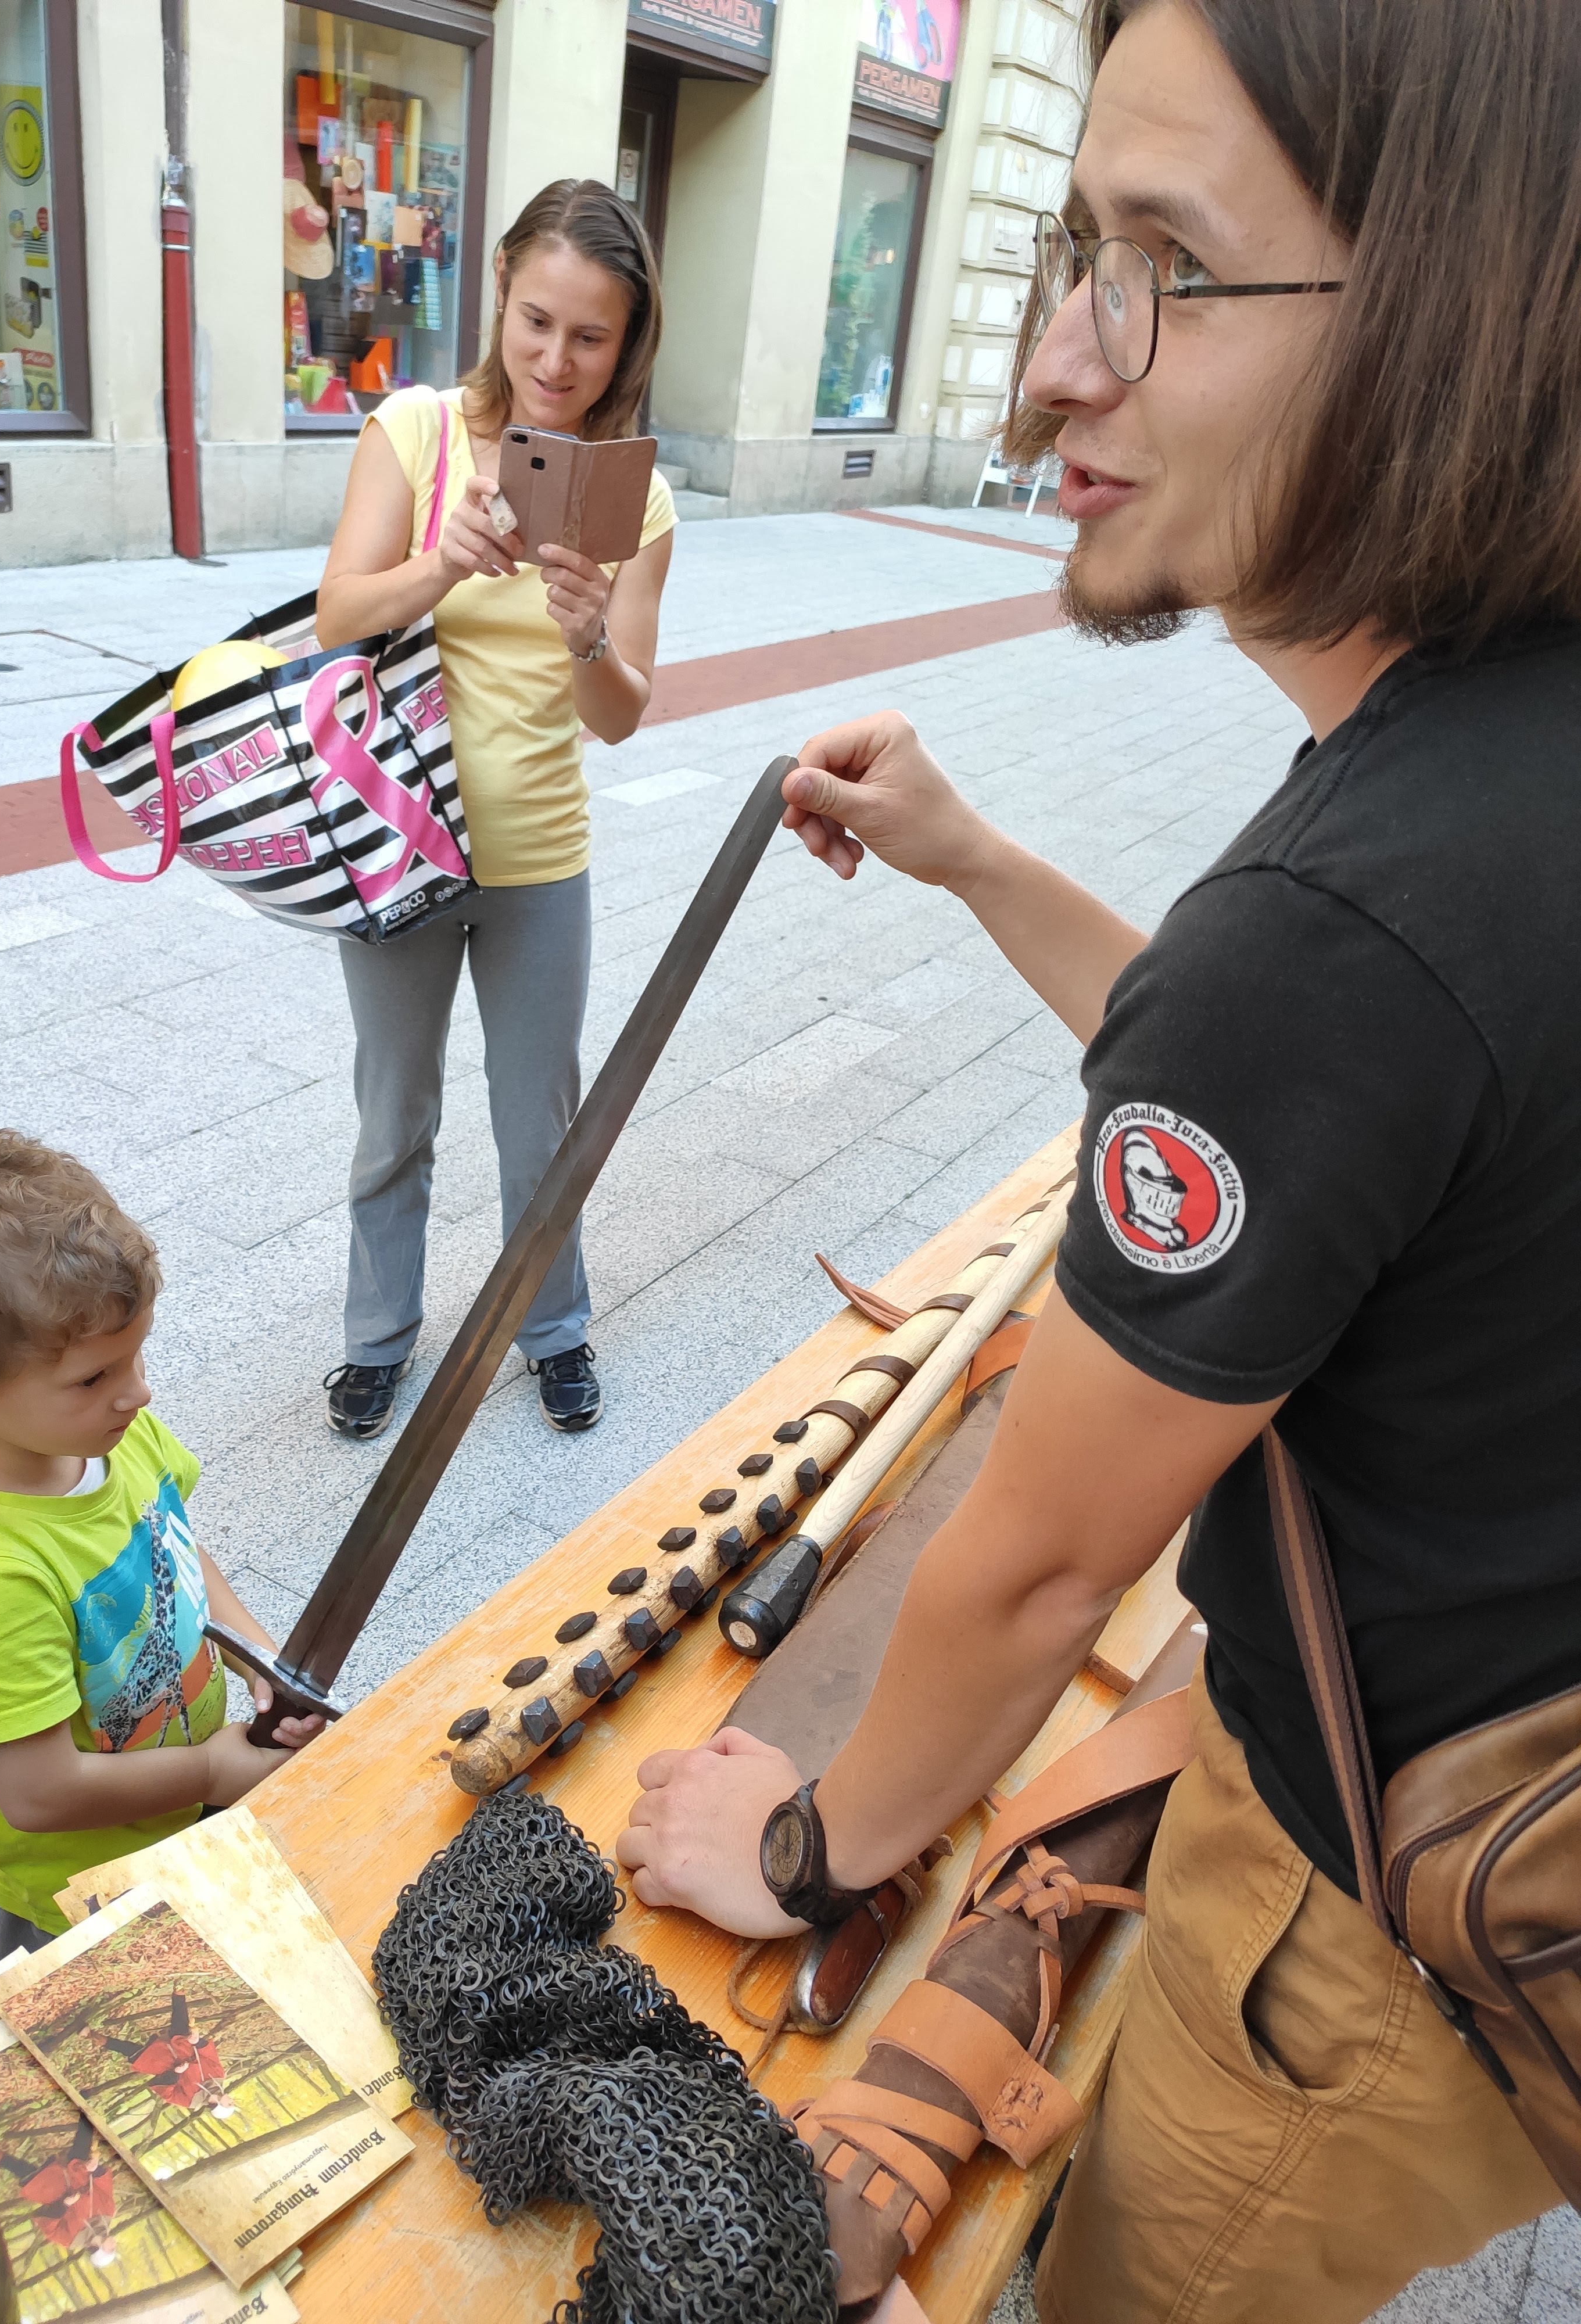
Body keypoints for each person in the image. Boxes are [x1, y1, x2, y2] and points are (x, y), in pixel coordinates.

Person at [617, 1, 1581, 2318]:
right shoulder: (1501, 762)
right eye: (1077, 252)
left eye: (1167, 266)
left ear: (1455, 303)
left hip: (1370, 1930)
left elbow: (1043, 1571)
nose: (1054, 365)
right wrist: (974, 858)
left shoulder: (1342, 927)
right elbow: (1346, 1111)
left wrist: (814, 1844)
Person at [313, 179, 675, 1441]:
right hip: (394, 845)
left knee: (540, 1127)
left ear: (627, 343)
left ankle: (554, 1327)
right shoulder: (414, 432)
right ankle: (376, 1339)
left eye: (591, 336)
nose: (556, 361)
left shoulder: (637, 499)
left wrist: (588, 636)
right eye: (536, 322)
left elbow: (620, 714)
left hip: (538, 861)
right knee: (393, 1115)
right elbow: (336, 614)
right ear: (502, 291)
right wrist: (441, 564)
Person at [0, 1130, 323, 1961]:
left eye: (135, 1356)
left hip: (201, 1819)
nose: (138, 1392)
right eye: (93, 1377)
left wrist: (260, 1661)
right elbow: (38, 1792)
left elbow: (177, 1553)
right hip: (90, 1905)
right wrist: (209, 1772)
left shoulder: (114, 1438)